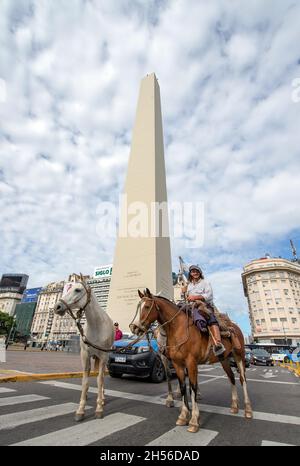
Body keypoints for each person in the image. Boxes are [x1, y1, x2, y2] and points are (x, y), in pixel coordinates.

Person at [181, 265, 226, 357]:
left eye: (197, 271)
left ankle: (218, 343)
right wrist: (183, 293)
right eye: (193, 272)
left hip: (204, 305)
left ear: (200, 273)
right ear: (190, 274)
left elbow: (209, 296)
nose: (195, 273)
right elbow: (186, 298)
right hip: (191, 306)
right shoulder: (188, 285)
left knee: (211, 318)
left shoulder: (205, 283)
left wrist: (195, 297)